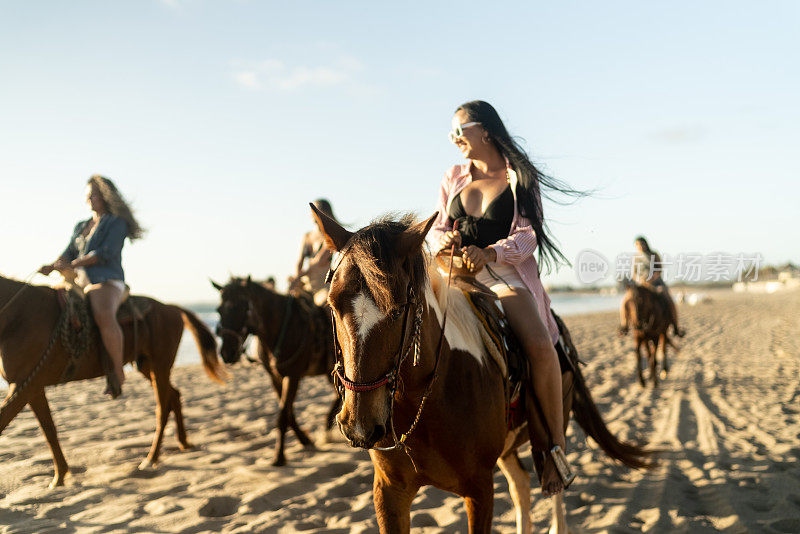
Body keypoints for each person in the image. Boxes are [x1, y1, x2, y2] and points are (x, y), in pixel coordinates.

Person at [429, 100, 585, 497]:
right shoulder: (453, 176)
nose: (454, 140)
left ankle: (553, 449)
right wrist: (443, 238)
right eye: (451, 134)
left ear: (484, 131)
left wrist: (491, 252)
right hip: (451, 273)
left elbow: (529, 235)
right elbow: (435, 228)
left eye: (459, 131)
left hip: (500, 273)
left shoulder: (519, 179)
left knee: (539, 345)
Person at [40, 175, 143, 397]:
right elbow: (68, 251)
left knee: (104, 314)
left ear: (105, 196)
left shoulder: (116, 222)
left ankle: (117, 370)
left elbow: (106, 253)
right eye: (87, 196)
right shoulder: (81, 225)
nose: (89, 199)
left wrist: (73, 264)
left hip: (106, 280)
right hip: (78, 281)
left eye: (93, 195)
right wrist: (53, 265)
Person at [619, 236, 684, 337]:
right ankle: (624, 325)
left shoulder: (654, 255)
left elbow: (659, 270)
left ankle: (675, 326)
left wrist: (651, 279)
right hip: (640, 285)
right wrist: (640, 280)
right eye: (637, 245)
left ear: (645, 244)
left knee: (668, 298)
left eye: (641, 244)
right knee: (625, 300)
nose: (640, 246)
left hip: (656, 283)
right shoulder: (635, 257)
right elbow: (634, 274)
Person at [289, 199, 337, 306]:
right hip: (305, 286)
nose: (312, 214)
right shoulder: (307, 236)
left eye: (315, 210)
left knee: (327, 305)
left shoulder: (330, 236)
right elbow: (300, 261)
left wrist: (297, 278)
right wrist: (297, 278)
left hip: (322, 287)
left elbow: (318, 262)